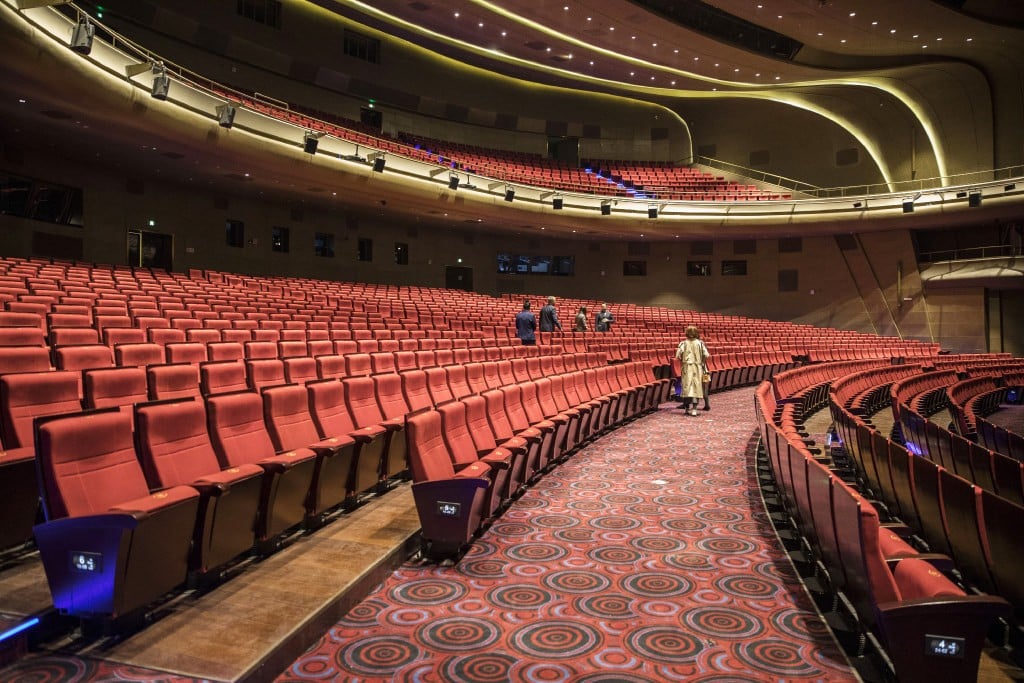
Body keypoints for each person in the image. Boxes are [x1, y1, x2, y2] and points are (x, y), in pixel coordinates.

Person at [675, 325, 710, 416]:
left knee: (687, 387)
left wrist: (684, 361)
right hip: (698, 368)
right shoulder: (700, 343)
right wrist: (701, 362)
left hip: (687, 367)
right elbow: (706, 355)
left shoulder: (683, 343)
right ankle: (694, 409)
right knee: (696, 387)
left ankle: (687, 408)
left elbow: (678, 355)